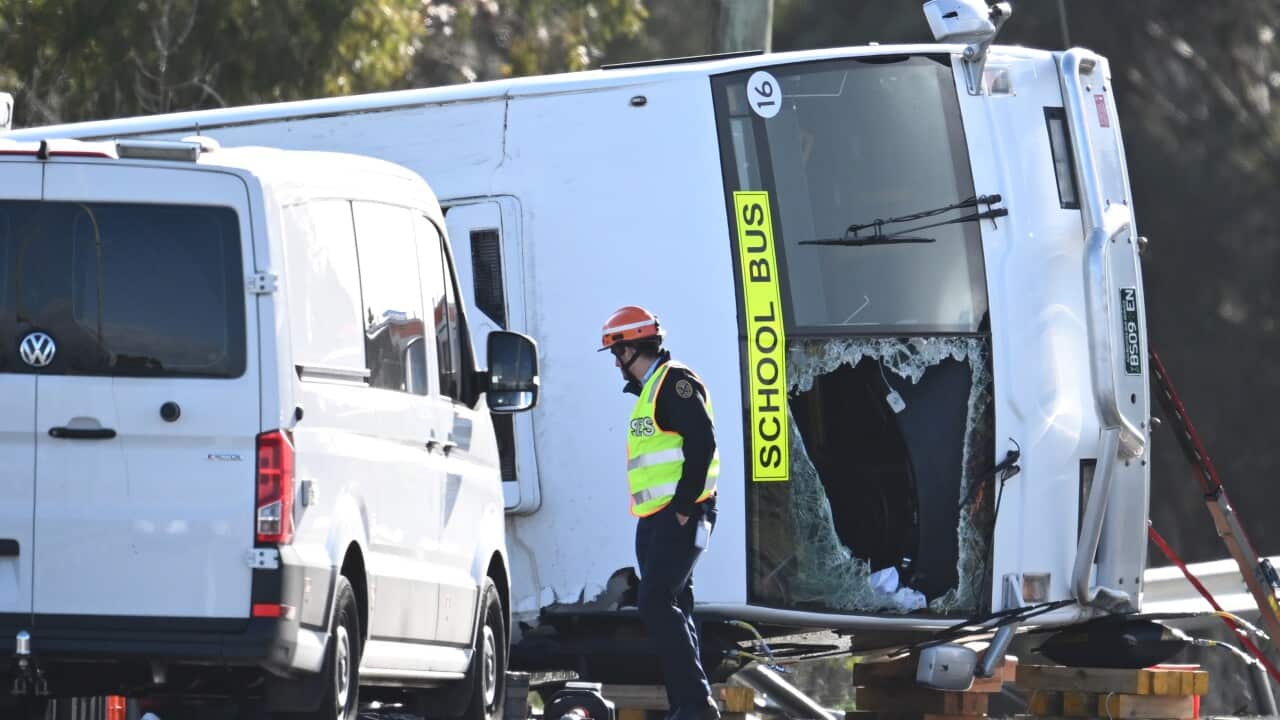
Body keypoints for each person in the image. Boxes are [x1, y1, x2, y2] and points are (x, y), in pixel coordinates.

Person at [599, 305, 721, 720]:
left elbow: (702, 445)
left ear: (636, 347)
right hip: (654, 518)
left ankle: (695, 704)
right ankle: (689, 703)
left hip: (681, 515)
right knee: (675, 605)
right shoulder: (650, 391)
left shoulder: (676, 384)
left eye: (618, 352)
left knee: (655, 602)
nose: (616, 362)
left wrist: (686, 508)